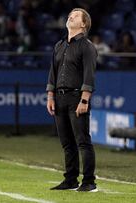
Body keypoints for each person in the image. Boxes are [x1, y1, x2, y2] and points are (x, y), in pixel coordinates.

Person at [46, 8, 98, 192]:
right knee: (67, 143)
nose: (71, 16)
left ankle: (89, 181)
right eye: (70, 14)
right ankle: (70, 179)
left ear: (83, 24)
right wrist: (50, 95)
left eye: (76, 15)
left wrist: (84, 100)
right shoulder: (59, 45)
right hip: (59, 98)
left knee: (82, 141)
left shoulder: (87, 46)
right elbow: (53, 72)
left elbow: (89, 75)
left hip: (77, 97)